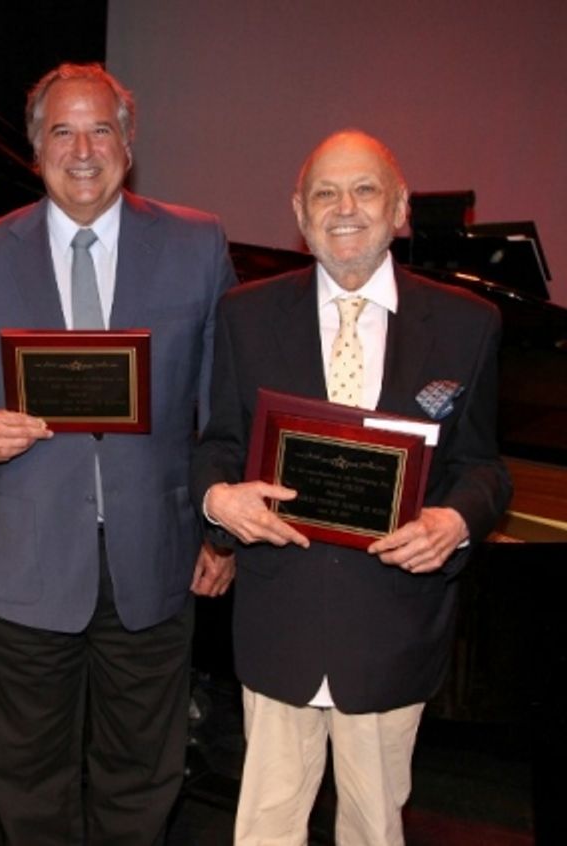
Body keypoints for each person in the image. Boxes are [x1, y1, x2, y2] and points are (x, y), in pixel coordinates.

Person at [0, 63, 238, 843]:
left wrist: (220, 529)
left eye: (101, 128)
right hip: (27, 561)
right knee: (27, 777)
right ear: (36, 150)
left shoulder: (197, 245)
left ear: (128, 143)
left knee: (145, 772)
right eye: (62, 131)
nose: (83, 148)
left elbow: (224, 402)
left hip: (157, 559)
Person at [190, 130, 513, 845]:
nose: (345, 208)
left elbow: (485, 467)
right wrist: (220, 501)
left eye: (365, 189)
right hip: (281, 621)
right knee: (266, 830)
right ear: (299, 216)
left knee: (373, 830)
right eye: (324, 193)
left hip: (392, 627)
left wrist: (455, 522)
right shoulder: (245, 316)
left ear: (399, 209)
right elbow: (217, 446)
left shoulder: (467, 325)